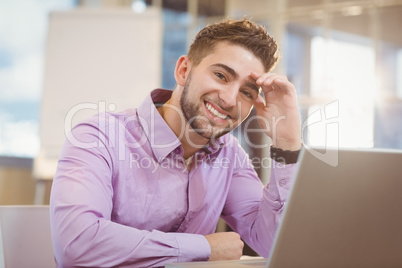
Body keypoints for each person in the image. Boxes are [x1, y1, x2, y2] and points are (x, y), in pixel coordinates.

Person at [50, 18, 302, 267]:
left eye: (246, 92)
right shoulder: (97, 137)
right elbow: (77, 245)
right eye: (221, 75)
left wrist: (287, 144)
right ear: (183, 71)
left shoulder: (230, 156)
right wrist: (204, 248)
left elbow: (274, 244)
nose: (229, 99)